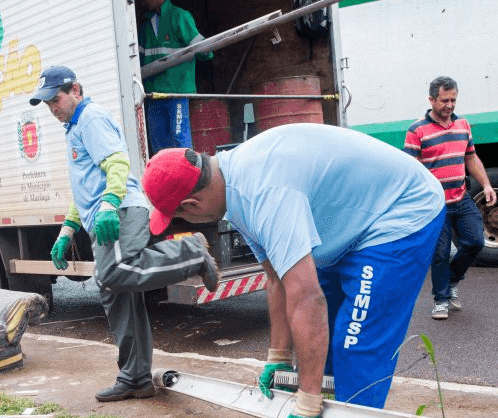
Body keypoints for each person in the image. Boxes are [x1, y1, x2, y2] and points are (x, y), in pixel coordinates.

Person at [141, 122, 446, 415]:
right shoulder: (232, 187)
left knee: (355, 344)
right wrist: (279, 356)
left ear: (192, 205)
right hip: (353, 219)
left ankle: (350, 410)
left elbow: (306, 297)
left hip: (401, 210)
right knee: (320, 348)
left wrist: (308, 400)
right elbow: (276, 277)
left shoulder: (263, 193)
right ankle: (325, 402)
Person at [29, 65, 220, 402]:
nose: (52, 107)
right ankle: (135, 379)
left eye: (55, 99)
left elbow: (117, 163)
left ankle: (191, 253)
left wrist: (109, 204)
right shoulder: (74, 127)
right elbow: (84, 189)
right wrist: (67, 230)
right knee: (115, 294)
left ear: (76, 89)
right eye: (47, 103)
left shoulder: (90, 118)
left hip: (119, 212)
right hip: (104, 214)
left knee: (115, 273)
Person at [404, 76, 497, 320]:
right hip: (435, 204)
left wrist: (486, 184)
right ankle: (441, 299)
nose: (449, 105)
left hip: (461, 196)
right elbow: (411, 170)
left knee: (475, 241)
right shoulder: (417, 131)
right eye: (444, 100)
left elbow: (471, 158)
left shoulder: (463, 125)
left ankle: (452, 280)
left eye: (453, 100)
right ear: (431, 99)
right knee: (440, 253)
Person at [138, 0, 213, 153]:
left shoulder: (180, 17)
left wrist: (207, 50)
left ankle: (187, 175)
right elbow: (135, 61)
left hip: (176, 92)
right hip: (154, 95)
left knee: (180, 140)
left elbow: (205, 51)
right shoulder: (145, 26)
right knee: (159, 145)